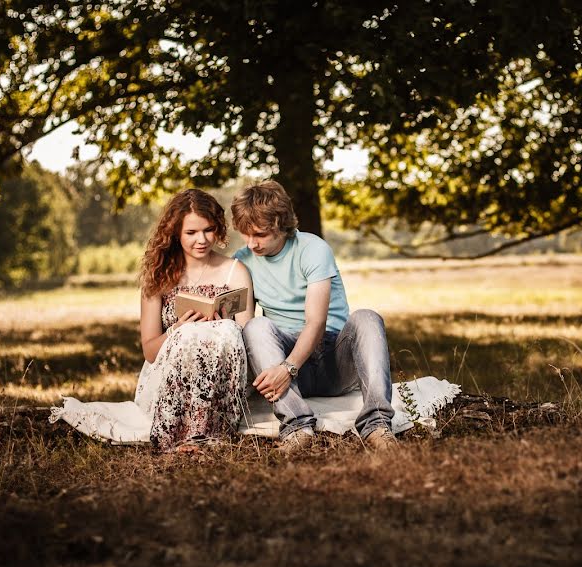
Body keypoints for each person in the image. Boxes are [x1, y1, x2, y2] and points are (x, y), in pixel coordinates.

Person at [232, 181, 397, 453]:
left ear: (281, 223)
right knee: (256, 326)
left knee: (367, 317)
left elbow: (316, 322)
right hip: (287, 362)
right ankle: (297, 426)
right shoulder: (242, 260)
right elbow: (246, 324)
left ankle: (376, 425)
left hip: (332, 358)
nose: (251, 244)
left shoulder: (313, 248)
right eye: (245, 235)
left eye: (259, 234)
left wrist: (288, 369)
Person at [136, 189, 255, 451]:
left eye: (208, 230)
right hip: (170, 376)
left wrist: (226, 327)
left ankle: (206, 435)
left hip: (221, 377)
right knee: (188, 335)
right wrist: (177, 331)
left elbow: (248, 343)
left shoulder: (235, 271)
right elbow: (150, 352)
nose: (201, 240)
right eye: (191, 233)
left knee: (225, 330)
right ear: (175, 233)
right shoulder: (158, 277)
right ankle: (178, 436)